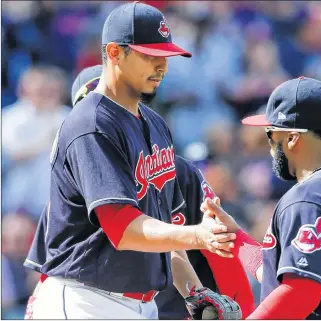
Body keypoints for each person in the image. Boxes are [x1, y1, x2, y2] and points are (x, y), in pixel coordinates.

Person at [24, 3, 238, 319]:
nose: (161, 66)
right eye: (149, 55)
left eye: (164, 56)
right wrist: (198, 235)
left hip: (141, 303)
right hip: (87, 300)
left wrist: (195, 292)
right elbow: (123, 229)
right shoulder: (91, 124)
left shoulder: (155, 125)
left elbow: (164, 231)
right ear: (114, 52)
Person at [202, 76, 321, 319]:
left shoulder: (309, 197)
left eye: (270, 134)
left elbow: (300, 292)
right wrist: (238, 239)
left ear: (293, 137)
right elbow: (288, 274)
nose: (270, 146)